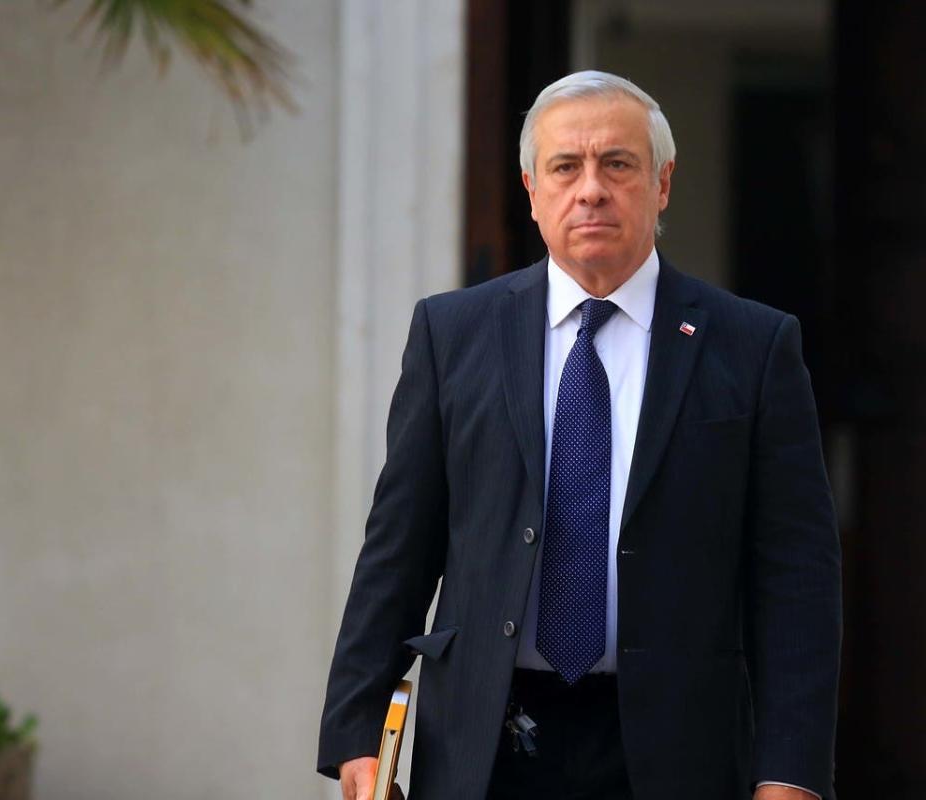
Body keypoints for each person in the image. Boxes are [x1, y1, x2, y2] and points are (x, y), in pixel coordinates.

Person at [317, 70, 841, 800]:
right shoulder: (452, 334)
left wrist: (790, 773)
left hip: (676, 746)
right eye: (566, 167)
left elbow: (796, 575)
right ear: (531, 190)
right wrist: (356, 725)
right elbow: (399, 545)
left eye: (617, 164)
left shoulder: (752, 346)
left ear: (662, 183)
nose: (590, 189)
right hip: (485, 741)